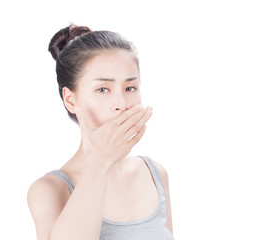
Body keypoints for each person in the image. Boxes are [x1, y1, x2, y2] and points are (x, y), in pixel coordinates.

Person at [27, 24, 174, 240]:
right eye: (103, 89)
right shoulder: (49, 190)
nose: (121, 103)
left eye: (130, 88)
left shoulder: (156, 174)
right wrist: (100, 162)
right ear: (71, 99)